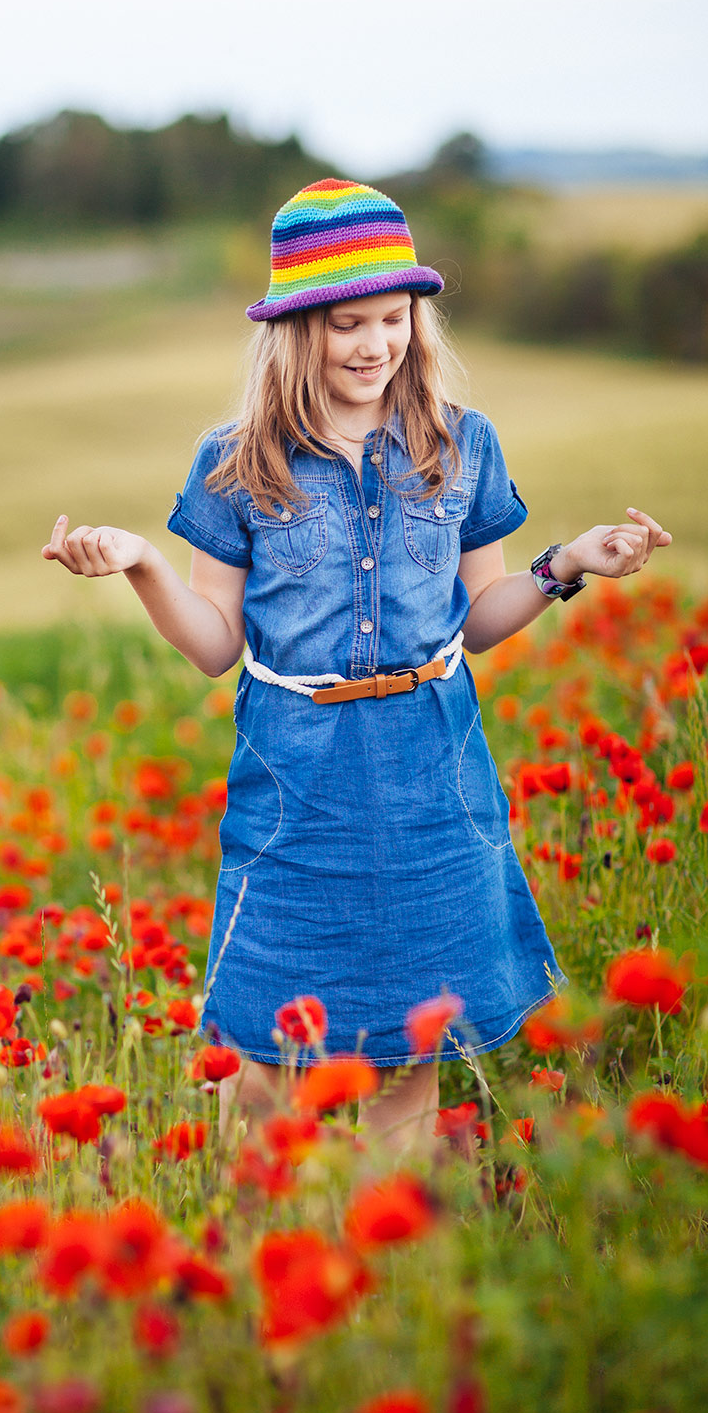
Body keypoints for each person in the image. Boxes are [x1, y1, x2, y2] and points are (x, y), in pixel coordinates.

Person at [41, 179, 671, 1156]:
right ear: (296, 329)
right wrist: (143, 566)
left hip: (430, 770)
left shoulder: (461, 445)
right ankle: (264, 1252)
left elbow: (481, 614)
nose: (376, 343)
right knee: (263, 1058)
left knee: (409, 1046)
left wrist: (567, 565)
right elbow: (215, 647)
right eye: (348, 323)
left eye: (394, 318)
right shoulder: (239, 461)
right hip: (298, 780)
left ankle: (390, 1268)